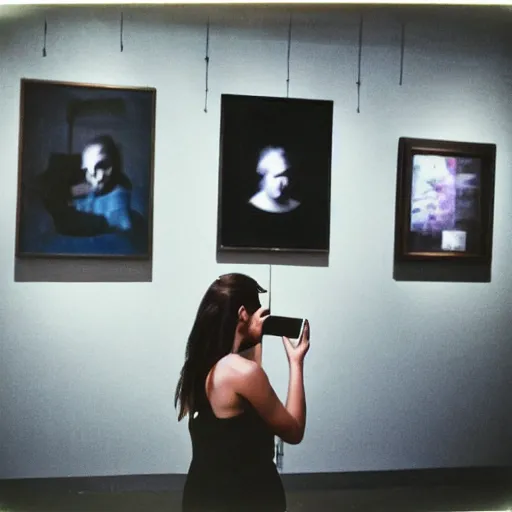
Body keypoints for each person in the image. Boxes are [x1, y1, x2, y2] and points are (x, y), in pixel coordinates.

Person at [175, 273, 310, 512]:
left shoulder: (202, 365)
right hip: (244, 497)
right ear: (243, 314)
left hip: (202, 494)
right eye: (259, 311)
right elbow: (294, 430)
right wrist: (296, 362)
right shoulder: (242, 373)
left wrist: (252, 338)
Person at [248, 146, 301, 214]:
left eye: (286, 176)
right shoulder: (255, 203)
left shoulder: (294, 204)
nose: (285, 183)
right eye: (276, 176)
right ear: (264, 175)